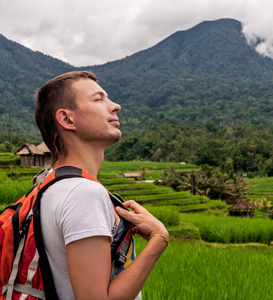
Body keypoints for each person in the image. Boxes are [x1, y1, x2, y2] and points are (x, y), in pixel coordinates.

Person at [34, 71, 168, 300]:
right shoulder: (83, 193)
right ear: (67, 119)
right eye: (98, 99)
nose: (115, 106)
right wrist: (158, 239)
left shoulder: (47, 185)